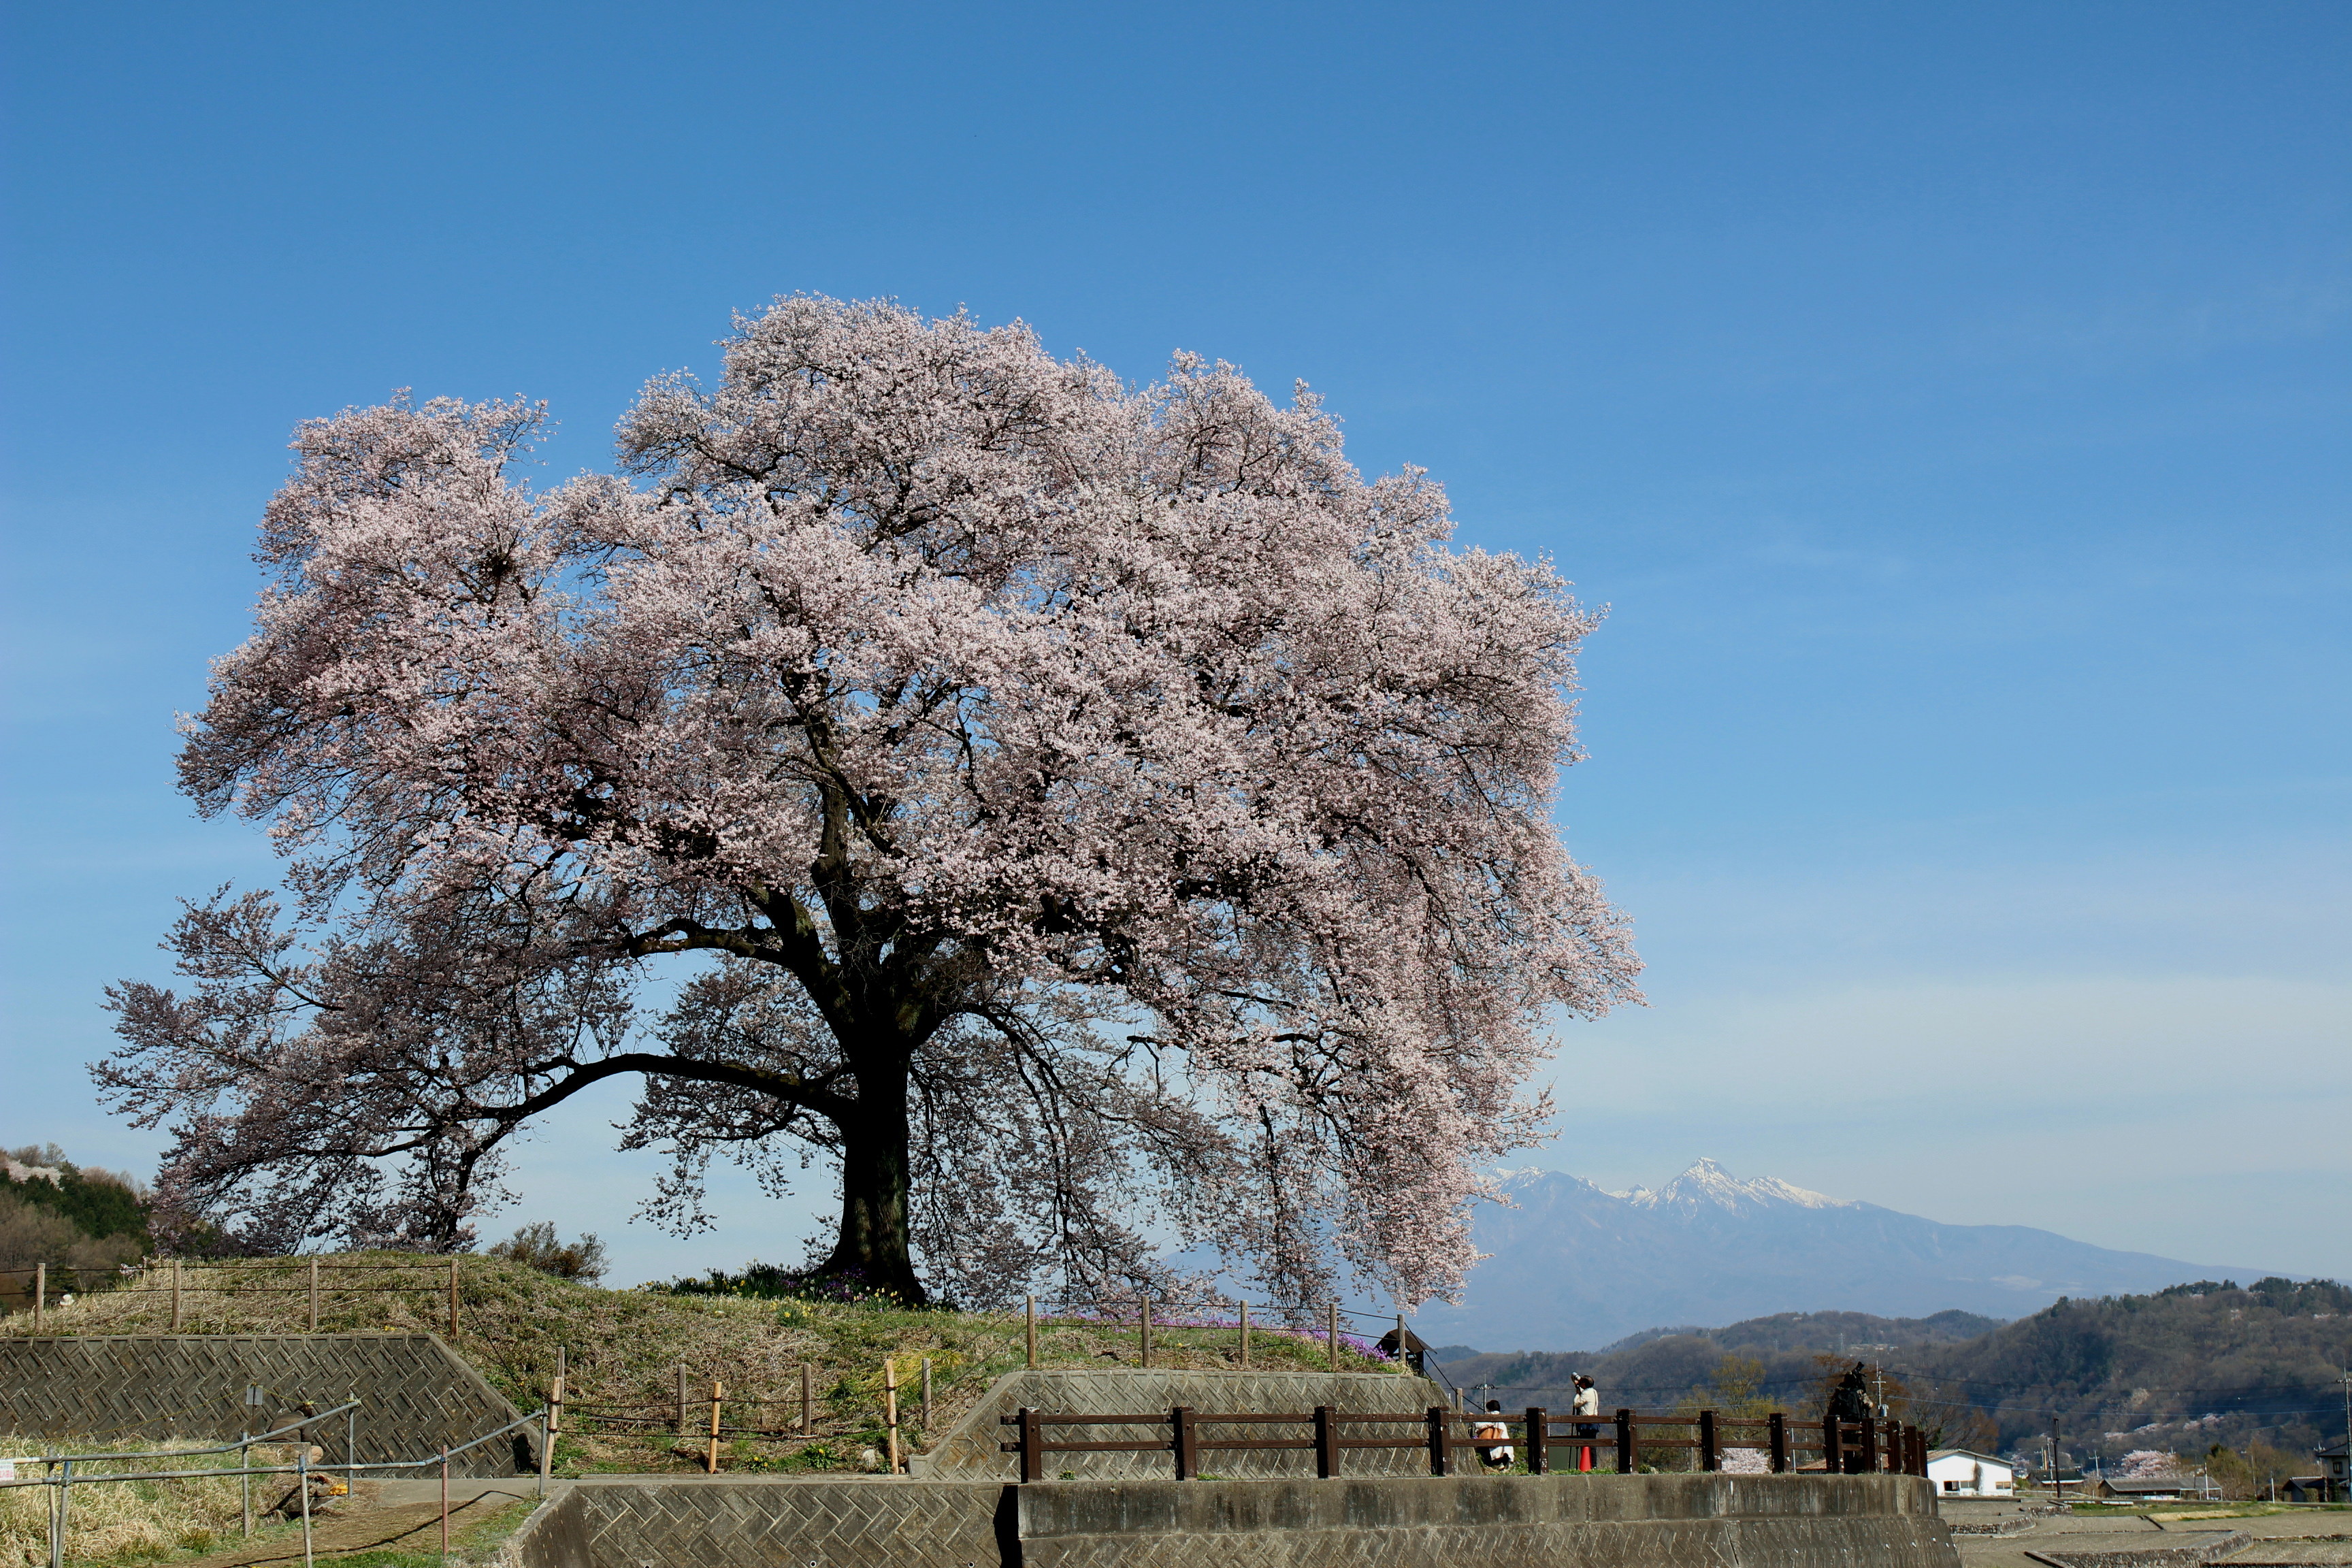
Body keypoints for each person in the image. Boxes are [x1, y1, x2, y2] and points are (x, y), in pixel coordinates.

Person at [1571, 1374, 1602, 1472]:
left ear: (1584, 1384)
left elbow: (1576, 1404)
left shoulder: (1585, 1393)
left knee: (1584, 1443)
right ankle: (1594, 1466)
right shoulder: (1594, 1392)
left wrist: (1577, 1394)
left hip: (1585, 1422)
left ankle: (1586, 1466)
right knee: (1593, 1444)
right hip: (1594, 1421)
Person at [1474, 1399, 1514, 1470]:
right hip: (1507, 1447)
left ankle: (1496, 1466)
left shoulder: (1492, 1416)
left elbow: (1479, 1425)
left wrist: (1473, 1419)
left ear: (1490, 1409)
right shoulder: (1500, 1418)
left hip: (1496, 1448)